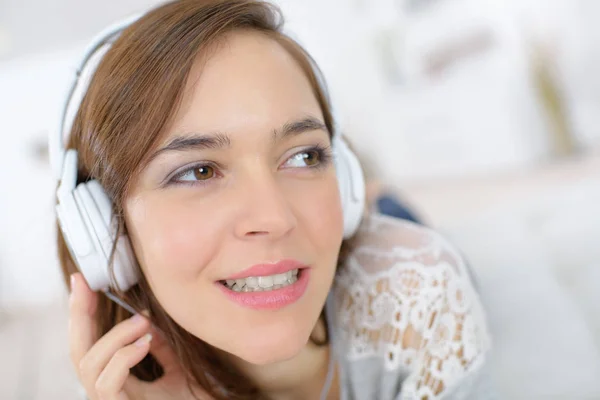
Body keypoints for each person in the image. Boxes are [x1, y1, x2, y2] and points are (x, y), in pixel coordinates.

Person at [52, 1, 495, 399]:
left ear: (344, 181)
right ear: (106, 223)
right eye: (199, 171)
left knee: (417, 231)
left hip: (381, 248)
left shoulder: (423, 292)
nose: (274, 216)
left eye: (305, 155)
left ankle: (379, 198)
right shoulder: (122, 383)